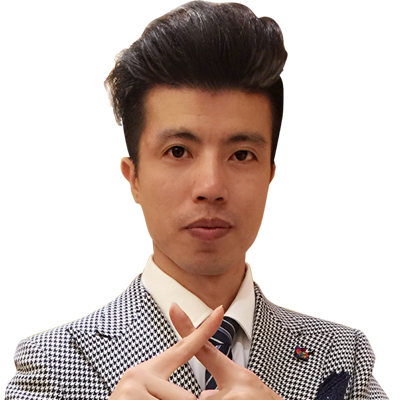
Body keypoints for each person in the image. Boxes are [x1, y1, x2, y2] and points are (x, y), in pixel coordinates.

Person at [4, 1, 389, 400]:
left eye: (242, 155)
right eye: (178, 151)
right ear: (133, 177)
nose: (211, 186)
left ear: (269, 175)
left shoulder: (342, 357)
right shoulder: (55, 365)